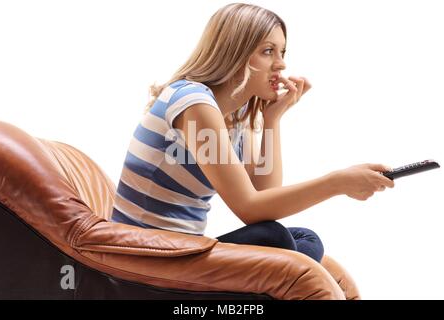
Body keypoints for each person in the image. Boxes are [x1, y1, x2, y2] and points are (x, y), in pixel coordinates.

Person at [111, 3, 394, 263]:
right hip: (147, 254)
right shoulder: (193, 103)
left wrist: (272, 120)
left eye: (282, 52)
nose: (281, 64)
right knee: (275, 239)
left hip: (182, 248)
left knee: (302, 240)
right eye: (268, 51)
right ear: (234, 53)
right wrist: (336, 183)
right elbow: (250, 208)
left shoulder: (233, 114)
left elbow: (265, 197)